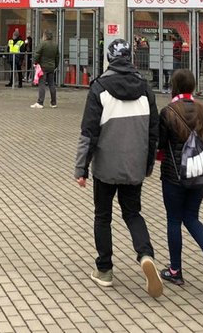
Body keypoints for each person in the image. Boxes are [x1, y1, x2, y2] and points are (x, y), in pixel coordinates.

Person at [74, 38, 163, 299]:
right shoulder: (146, 89)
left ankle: (104, 270)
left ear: (110, 58)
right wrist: (146, 165)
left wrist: (81, 169)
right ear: (131, 57)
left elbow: (88, 133)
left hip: (105, 167)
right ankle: (145, 255)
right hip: (134, 165)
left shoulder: (99, 87)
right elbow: (153, 132)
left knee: (103, 216)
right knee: (133, 213)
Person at [156, 69, 203, 289]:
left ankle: (175, 270)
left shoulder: (167, 112)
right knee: (192, 217)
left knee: (174, 220)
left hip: (174, 176)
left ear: (173, 86)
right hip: (198, 174)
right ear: (193, 86)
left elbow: (160, 144)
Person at [31, 30, 60, 109]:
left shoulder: (42, 44)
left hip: (43, 67)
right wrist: (55, 66)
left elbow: (37, 54)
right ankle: (53, 103)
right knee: (52, 84)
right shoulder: (55, 45)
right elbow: (57, 57)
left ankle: (40, 102)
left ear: (45, 36)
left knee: (42, 84)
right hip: (51, 67)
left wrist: (35, 63)